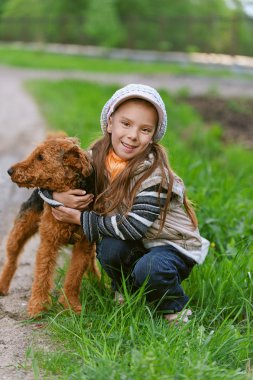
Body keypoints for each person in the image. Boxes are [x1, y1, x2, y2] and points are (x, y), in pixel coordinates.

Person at [48, 83, 210, 323]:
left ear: (153, 136)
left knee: (151, 269)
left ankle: (174, 309)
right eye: (126, 124)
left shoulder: (155, 176)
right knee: (110, 248)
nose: (133, 136)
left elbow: (133, 227)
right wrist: (54, 196)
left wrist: (79, 218)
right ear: (110, 122)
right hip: (138, 243)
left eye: (145, 130)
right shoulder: (97, 158)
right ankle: (128, 290)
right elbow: (53, 175)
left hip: (171, 245)